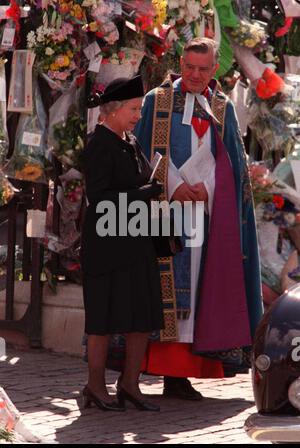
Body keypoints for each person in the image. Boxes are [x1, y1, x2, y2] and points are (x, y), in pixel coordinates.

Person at [135, 38, 263, 400]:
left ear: (214, 69)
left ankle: (185, 371)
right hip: (164, 214)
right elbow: (142, 156)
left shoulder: (223, 108)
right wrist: (173, 186)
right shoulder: (155, 102)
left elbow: (233, 164)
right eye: (189, 67)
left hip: (206, 217)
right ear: (180, 62)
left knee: (198, 289)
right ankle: (160, 368)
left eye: (203, 69)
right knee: (165, 290)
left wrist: (208, 188)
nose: (194, 75)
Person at [80, 75, 164, 411]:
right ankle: (95, 386)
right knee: (102, 318)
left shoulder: (129, 140)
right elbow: (98, 198)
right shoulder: (99, 144)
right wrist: (142, 193)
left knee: (141, 316)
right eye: (133, 108)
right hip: (107, 245)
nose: (139, 115)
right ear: (112, 111)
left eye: (139, 108)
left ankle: (130, 384)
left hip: (136, 241)